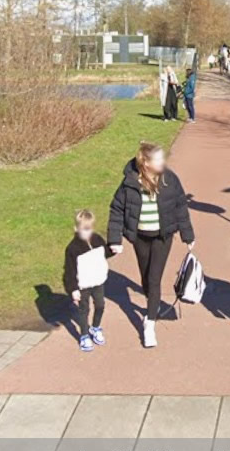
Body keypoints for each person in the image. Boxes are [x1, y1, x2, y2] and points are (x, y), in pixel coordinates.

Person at [108, 141, 195, 348]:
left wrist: (188, 235)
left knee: (154, 279)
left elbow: (180, 205)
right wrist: (115, 239)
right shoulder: (129, 182)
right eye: (158, 159)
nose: (163, 162)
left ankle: (149, 324)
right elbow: (117, 209)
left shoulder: (170, 179)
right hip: (140, 237)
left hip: (162, 237)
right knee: (146, 278)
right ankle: (152, 303)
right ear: (145, 163)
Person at [63, 209, 115, 352]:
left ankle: (95, 327)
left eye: (90, 229)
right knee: (83, 310)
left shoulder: (97, 239)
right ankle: (84, 335)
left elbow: (105, 252)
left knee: (100, 305)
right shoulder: (72, 249)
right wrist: (73, 289)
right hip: (83, 284)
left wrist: (113, 249)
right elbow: (69, 271)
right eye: (84, 229)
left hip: (97, 281)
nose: (87, 232)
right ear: (76, 229)